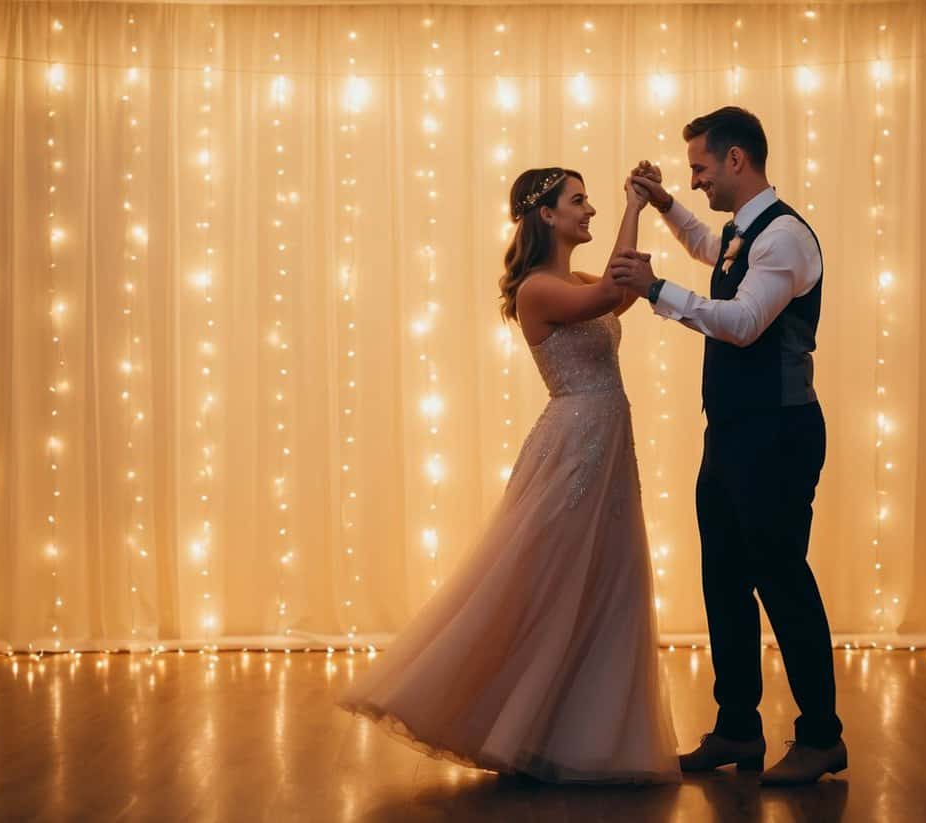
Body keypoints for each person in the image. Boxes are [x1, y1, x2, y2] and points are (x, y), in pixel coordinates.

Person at [336, 167, 681, 785]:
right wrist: (635, 206)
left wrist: (641, 216)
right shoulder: (536, 290)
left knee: (604, 579)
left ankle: (572, 735)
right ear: (545, 214)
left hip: (606, 446)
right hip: (574, 445)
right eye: (579, 201)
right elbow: (609, 293)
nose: (590, 210)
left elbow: (617, 290)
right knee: (545, 581)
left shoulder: (570, 278)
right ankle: (508, 720)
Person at [610, 106, 847, 785]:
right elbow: (713, 251)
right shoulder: (748, 235)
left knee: (781, 578)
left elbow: (742, 323)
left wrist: (654, 289)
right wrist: (663, 206)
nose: (697, 181)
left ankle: (822, 736)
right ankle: (738, 726)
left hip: (777, 433)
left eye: (700, 169)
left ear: (737, 160)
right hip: (735, 433)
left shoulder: (787, 238)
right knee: (724, 579)